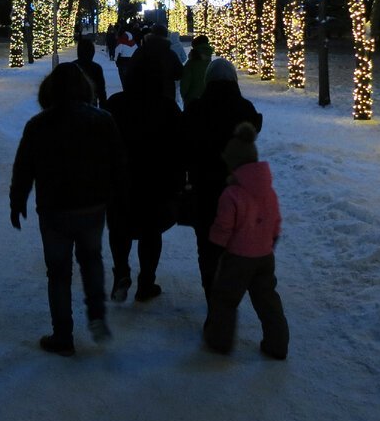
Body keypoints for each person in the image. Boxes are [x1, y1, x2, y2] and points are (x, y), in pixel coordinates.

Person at [10, 63, 126, 357]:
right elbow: (118, 163)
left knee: (58, 272)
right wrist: (117, 197)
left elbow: (24, 168)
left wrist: (17, 201)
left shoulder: (38, 125)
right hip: (92, 204)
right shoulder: (103, 120)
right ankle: (97, 315)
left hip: (54, 208)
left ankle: (63, 334)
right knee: (92, 259)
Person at [204, 122, 289, 360]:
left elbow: (224, 227)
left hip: (237, 258)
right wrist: (270, 242)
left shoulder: (231, 193)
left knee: (225, 299)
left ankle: (219, 342)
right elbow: (275, 219)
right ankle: (277, 344)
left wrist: (215, 246)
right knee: (267, 301)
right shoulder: (268, 190)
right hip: (264, 255)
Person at [181, 57, 263, 300]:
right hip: (238, 191)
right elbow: (255, 126)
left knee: (207, 247)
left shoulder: (196, 108)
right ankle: (228, 298)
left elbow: (185, 145)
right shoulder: (244, 109)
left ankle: (212, 297)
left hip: (204, 188)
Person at [103, 57, 184, 303]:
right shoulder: (167, 107)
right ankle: (146, 283)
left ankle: (121, 273)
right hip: (156, 181)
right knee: (151, 232)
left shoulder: (115, 104)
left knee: (119, 228)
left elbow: (103, 143)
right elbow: (180, 146)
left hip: (121, 181)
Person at [130, 23, 183, 102]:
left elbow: (131, 72)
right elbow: (179, 73)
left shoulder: (140, 52)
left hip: (143, 94)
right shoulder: (170, 54)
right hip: (166, 94)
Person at [179, 35, 213, 105]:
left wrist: (184, 96)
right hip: (208, 98)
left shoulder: (191, 63)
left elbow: (185, 83)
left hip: (192, 100)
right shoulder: (210, 61)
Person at [74, 36, 107, 106]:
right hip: (91, 105)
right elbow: (101, 92)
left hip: (73, 106)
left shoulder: (72, 67)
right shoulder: (96, 68)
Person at [113, 21, 139, 89]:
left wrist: (115, 59)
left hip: (123, 62)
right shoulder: (134, 43)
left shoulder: (121, 42)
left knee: (123, 79)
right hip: (132, 62)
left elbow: (117, 51)